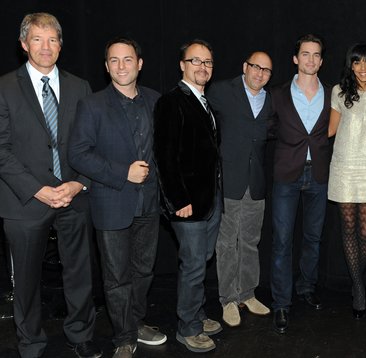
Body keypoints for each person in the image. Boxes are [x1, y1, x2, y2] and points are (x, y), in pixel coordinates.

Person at [0, 12, 101, 358]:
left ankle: (81, 335)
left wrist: (78, 184)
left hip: (74, 193)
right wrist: (37, 189)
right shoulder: (4, 87)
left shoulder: (80, 86)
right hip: (24, 200)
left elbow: (92, 144)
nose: (46, 47)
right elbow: (1, 149)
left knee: (80, 273)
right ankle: (30, 342)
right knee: (26, 281)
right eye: (38, 39)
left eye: (52, 39)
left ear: (61, 45)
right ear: (24, 44)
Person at [69, 37, 166, 358]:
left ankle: (136, 322)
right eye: (114, 60)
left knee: (144, 271)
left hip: (149, 204)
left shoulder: (156, 101)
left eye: (128, 60)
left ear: (139, 63)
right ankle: (124, 336)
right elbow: (78, 154)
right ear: (106, 65)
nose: (121, 66)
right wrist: (122, 172)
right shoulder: (92, 104)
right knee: (116, 277)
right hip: (111, 203)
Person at [153, 39, 222, 353]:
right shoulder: (172, 102)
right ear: (182, 65)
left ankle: (195, 312)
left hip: (209, 200)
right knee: (194, 264)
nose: (202, 67)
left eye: (207, 62)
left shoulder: (204, 102)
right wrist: (178, 200)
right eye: (196, 61)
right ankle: (188, 328)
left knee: (202, 260)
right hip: (188, 203)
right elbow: (165, 158)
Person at [270, 34, 331, 334]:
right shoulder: (278, 95)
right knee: (282, 240)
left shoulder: (333, 95)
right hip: (286, 175)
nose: (310, 59)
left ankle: (306, 287)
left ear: (321, 60)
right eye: (304, 54)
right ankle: (281, 302)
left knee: (313, 237)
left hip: (319, 174)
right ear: (295, 59)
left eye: (315, 55)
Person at [206, 51, 273, 327]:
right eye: (256, 67)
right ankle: (228, 299)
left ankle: (247, 293)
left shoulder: (271, 99)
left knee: (250, 241)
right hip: (229, 180)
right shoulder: (222, 91)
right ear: (245, 66)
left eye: (266, 70)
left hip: (256, 182)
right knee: (226, 243)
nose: (259, 73)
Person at [328, 42, 366, 319]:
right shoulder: (339, 92)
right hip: (344, 168)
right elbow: (330, 129)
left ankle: (356, 281)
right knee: (348, 228)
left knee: (365, 233)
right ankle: (359, 289)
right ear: (350, 65)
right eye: (356, 62)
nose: (362, 68)